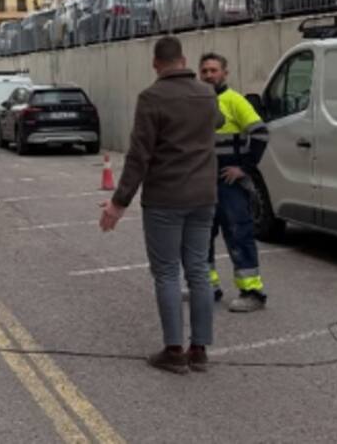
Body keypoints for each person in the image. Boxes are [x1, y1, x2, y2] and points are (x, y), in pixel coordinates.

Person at [100, 36, 220, 374]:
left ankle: (173, 351)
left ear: (156, 64)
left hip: (166, 198)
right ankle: (199, 349)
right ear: (184, 60)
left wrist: (118, 203)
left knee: (167, 272)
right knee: (198, 270)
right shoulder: (206, 93)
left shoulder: (151, 98)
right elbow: (219, 124)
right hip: (204, 197)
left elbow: (139, 156)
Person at [198, 53, 270, 313]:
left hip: (229, 185)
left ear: (224, 73)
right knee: (201, 236)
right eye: (204, 71)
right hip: (202, 183)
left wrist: (244, 168)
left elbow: (261, 133)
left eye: (213, 70)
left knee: (239, 234)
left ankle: (252, 292)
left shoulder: (234, 100)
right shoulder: (198, 103)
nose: (208, 75)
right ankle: (207, 287)